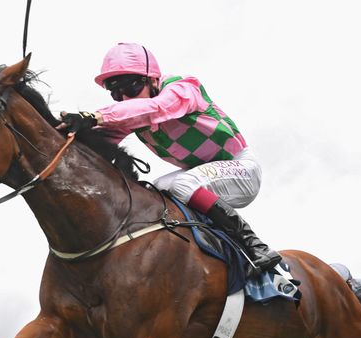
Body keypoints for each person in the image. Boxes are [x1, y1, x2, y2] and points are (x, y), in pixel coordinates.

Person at [57, 42, 281, 276]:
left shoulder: (183, 88)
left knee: (182, 185)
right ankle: (213, 253)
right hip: (203, 174)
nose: (124, 99)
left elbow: (157, 107)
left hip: (242, 168)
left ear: (153, 80)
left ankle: (254, 245)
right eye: (116, 93)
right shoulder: (135, 113)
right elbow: (98, 140)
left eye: (130, 89)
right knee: (158, 191)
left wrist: (95, 116)